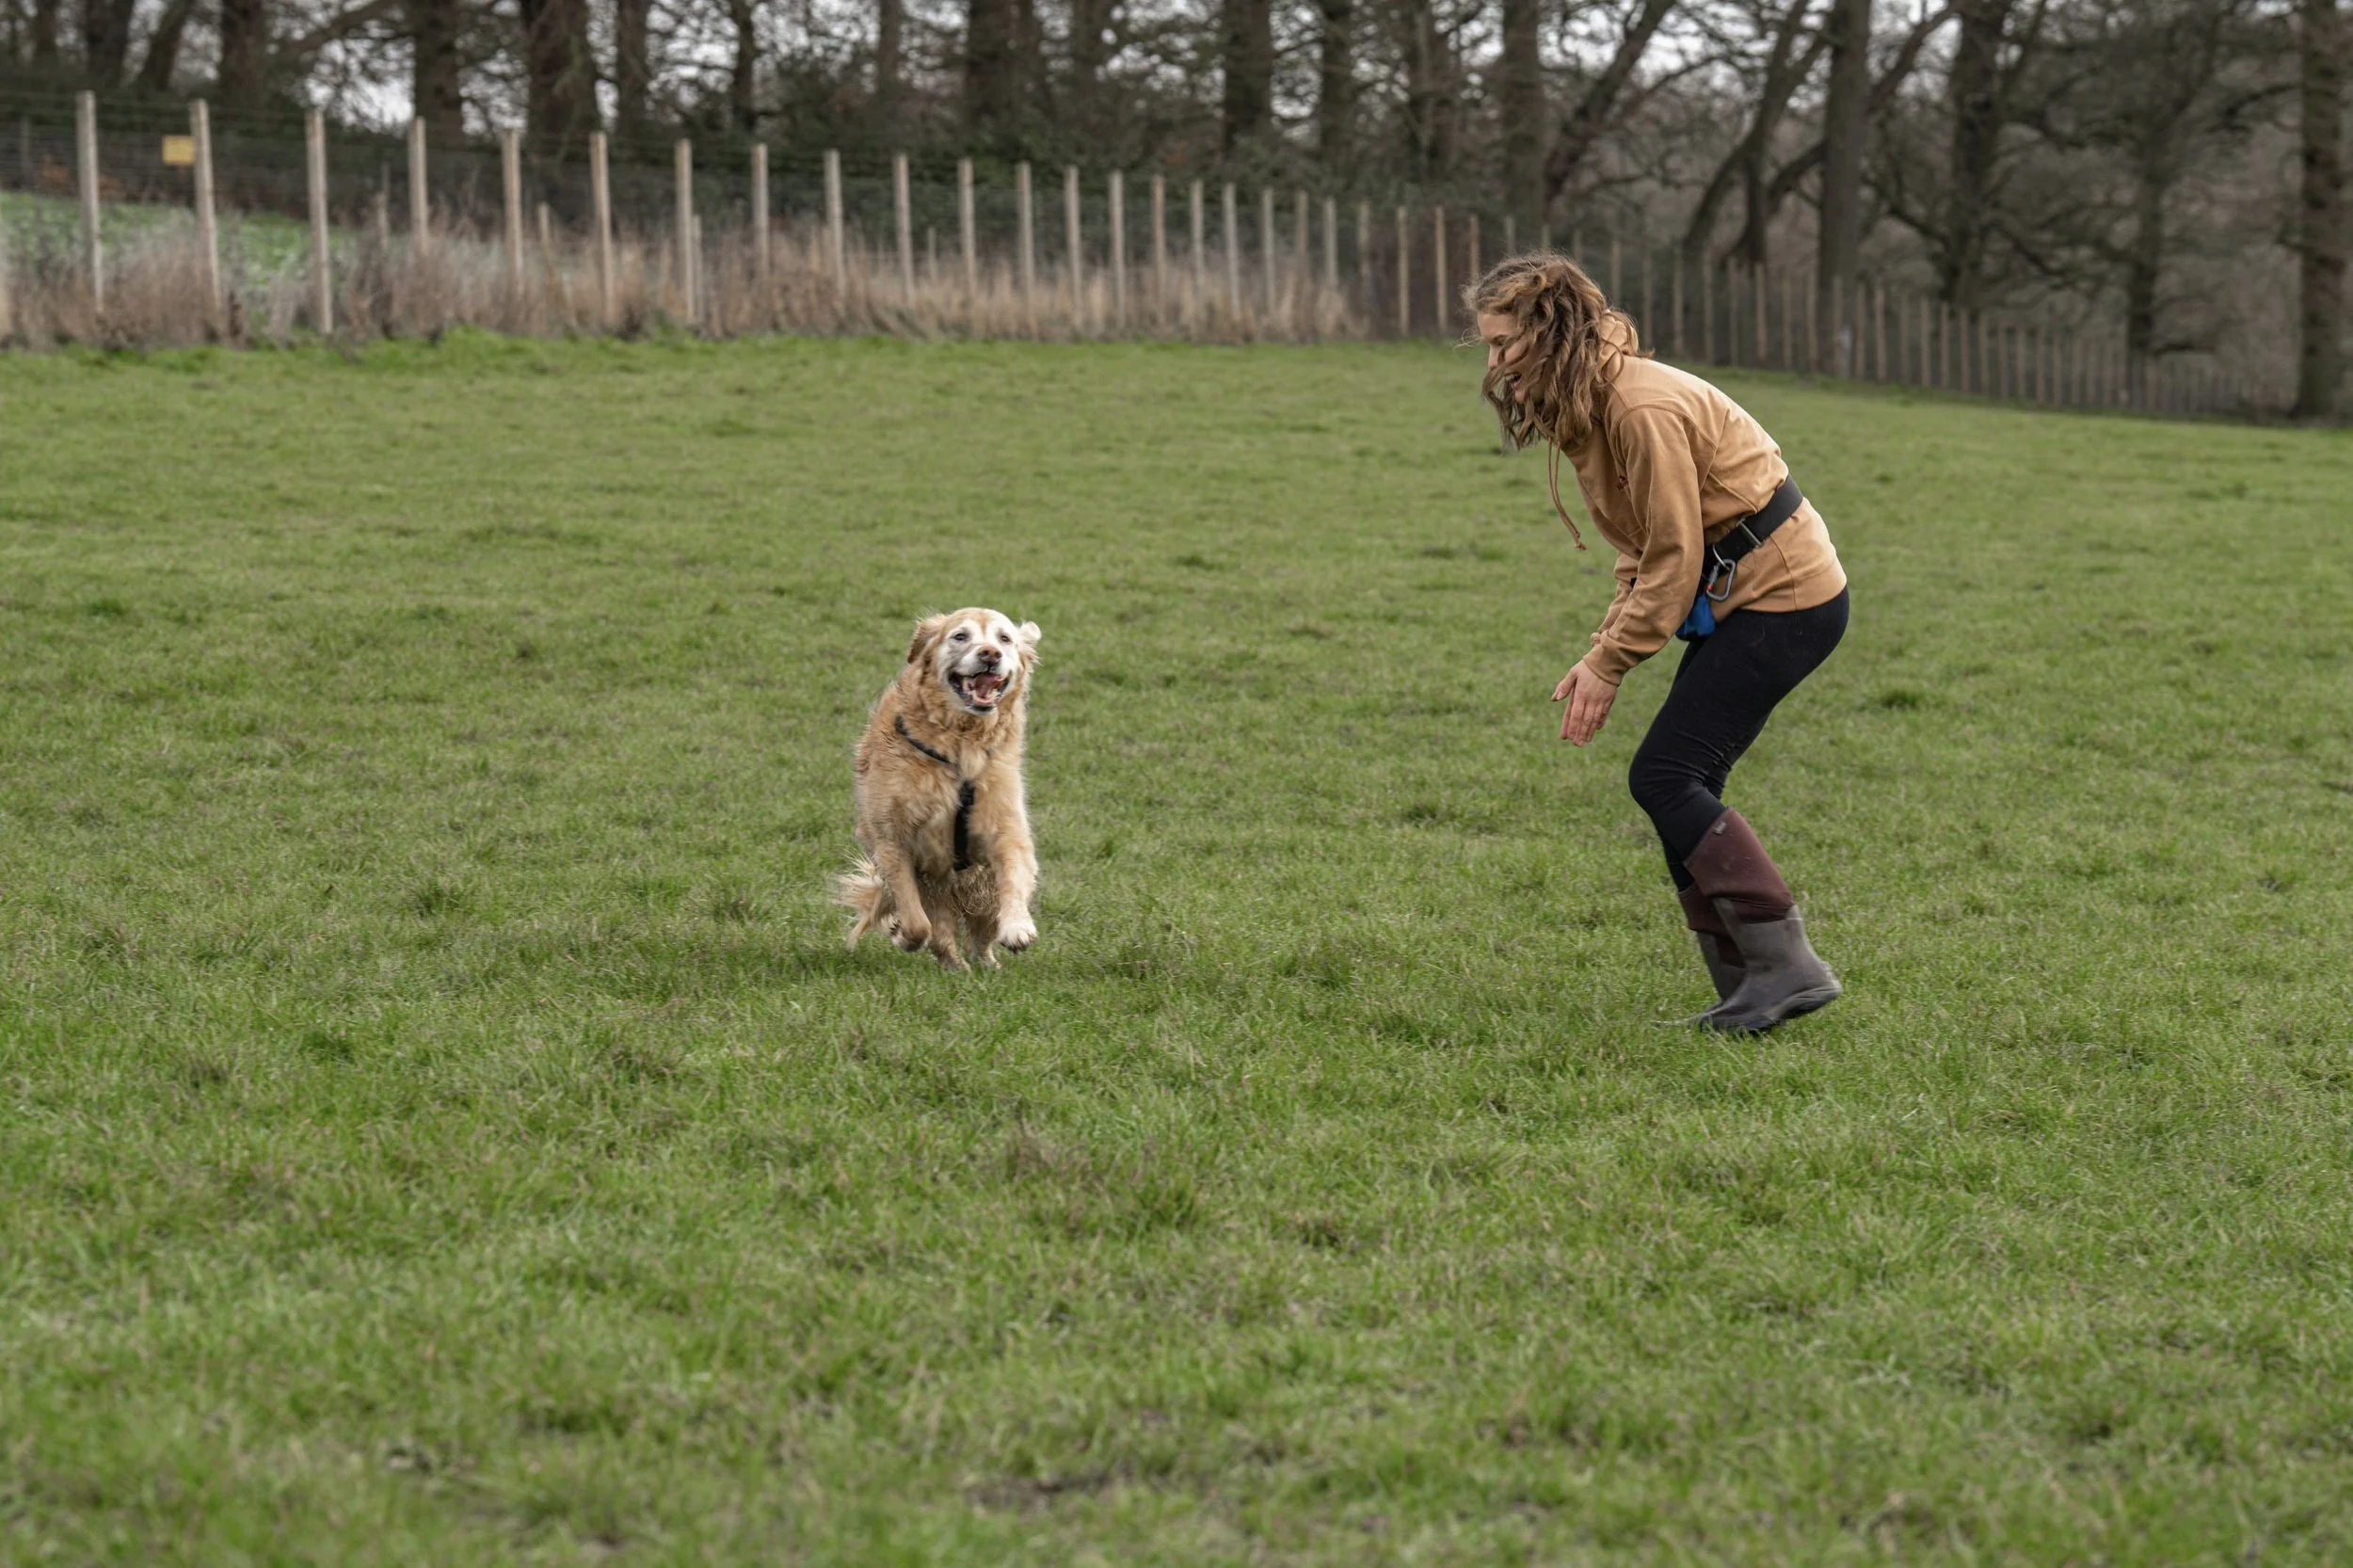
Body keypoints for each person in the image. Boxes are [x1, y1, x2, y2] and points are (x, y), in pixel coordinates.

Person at [1469, 254, 1850, 1032]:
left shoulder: (1639, 407)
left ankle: (1786, 968)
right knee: (1683, 776)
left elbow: (1673, 559)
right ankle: (1748, 984)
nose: (1494, 363)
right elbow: (1641, 548)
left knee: (1666, 774)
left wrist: (1611, 663)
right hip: (1747, 596)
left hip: (1787, 599)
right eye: (1486, 344)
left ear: (1551, 334)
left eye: (1505, 342)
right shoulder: (1590, 399)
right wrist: (1601, 645)